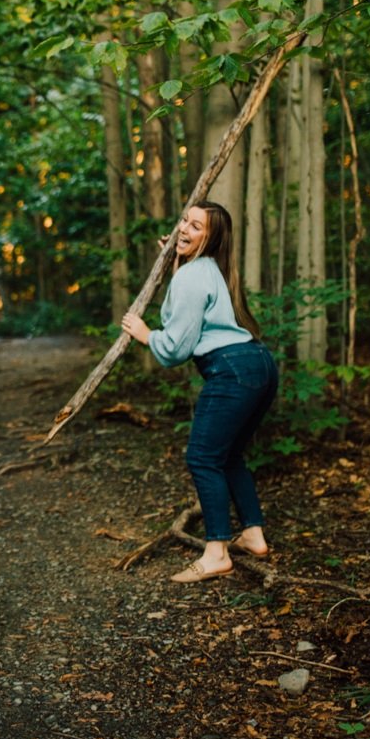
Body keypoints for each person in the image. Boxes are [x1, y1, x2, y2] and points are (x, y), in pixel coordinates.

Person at [121, 201, 277, 583]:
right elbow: (189, 302)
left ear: (212, 237)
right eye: (183, 221)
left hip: (231, 371)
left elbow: (175, 347)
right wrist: (173, 258)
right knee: (230, 456)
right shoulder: (208, 269)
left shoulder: (194, 275)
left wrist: (146, 335)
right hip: (259, 363)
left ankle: (216, 552)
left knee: (203, 458)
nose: (185, 229)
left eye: (197, 226)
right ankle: (253, 536)